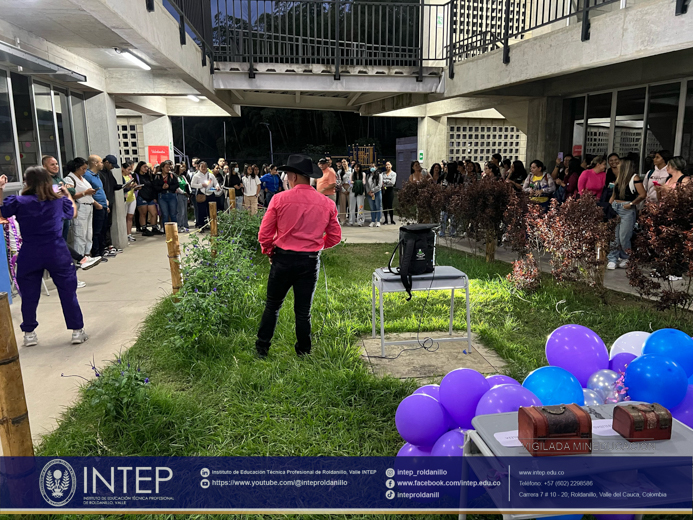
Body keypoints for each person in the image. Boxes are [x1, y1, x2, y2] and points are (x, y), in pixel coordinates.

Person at [255, 154, 341, 358]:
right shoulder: (326, 203)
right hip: (309, 261)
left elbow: (264, 234)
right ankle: (304, 350)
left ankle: (262, 348)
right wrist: (317, 246)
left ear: (292, 176)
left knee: (272, 306)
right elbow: (335, 236)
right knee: (303, 311)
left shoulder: (279, 199)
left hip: (282, 259)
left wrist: (269, 252)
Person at [0, 168, 88, 347]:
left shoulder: (18, 201)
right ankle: (77, 331)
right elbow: (72, 213)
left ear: (26, 182)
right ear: (48, 181)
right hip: (56, 250)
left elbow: (3, 211)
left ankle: (29, 333)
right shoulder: (57, 202)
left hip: (30, 251)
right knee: (67, 291)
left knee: (29, 295)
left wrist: (0, 188)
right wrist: (67, 195)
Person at [607, 158, 646, 270]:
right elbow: (614, 194)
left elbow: (642, 194)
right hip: (616, 206)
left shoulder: (634, 178)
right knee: (614, 236)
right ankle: (612, 258)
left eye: (619, 163)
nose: (616, 165)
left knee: (624, 236)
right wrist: (609, 207)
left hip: (627, 209)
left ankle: (625, 257)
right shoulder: (619, 178)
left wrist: (631, 204)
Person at [64, 157, 97, 257]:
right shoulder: (69, 179)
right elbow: (70, 195)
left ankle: (87, 253)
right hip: (80, 207)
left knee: (88, 233)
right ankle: (80, 256)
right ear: (76, 168)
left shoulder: (83, 179)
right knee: (80, 234)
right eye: (83, 168)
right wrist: (85, 193)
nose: (84, 171)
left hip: (89, 206)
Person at [98, 155, 125, 256]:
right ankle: (104, 246)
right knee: (103, 226)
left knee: (109, 224)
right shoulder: (99, 174)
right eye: (112, 165)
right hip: (103, 203)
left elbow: (114, 186)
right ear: (106, 162)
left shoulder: (108, 173)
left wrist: (124, 186)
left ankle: (109, 244)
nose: (112, 167)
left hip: (110, 201)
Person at [84, 155, 109, 259]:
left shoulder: (97, 175)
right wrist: (96, 204)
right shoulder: (87, 175)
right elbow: (88, 193)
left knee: (104, 229)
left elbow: (100, 190)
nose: (102, 164)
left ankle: (102, 251)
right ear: (95, 163)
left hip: (103, 205)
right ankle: (96, 253)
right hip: (96, 206)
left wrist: (105, 201)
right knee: (96, 231)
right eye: (101, 162)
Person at [132, 161, 160, 237]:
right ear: (140, 167)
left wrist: (154, 197)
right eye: (144, 167)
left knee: (154, 213)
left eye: (147, 167)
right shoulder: (135, 176)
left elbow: (153, 186)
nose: (146, 168)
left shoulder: (149, 176)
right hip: (141, 196)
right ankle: (144, 228)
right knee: (143, 214)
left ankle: (154, 227)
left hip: (150, 197)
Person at [191, 161, 220, 228]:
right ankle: (201, 225)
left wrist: (217, 187)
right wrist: (201, 185)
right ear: (199, 168)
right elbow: (192, 185)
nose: (203, 168)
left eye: (205, 166)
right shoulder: (196, 176)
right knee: (201, 211)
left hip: (210, 193)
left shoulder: (211, 175)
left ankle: (213, 225)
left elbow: (216, 183)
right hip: (202, 194)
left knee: (212, 210)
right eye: (202, 167)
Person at [153, 160, 179, 228]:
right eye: (166, 167)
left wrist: (169, 187)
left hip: (172, 195)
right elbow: (155, 187)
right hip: (162, 196)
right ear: (162, 168)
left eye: (169, 167)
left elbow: (177, 185)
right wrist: (162, 187)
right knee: (165, 214)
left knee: (173, 214)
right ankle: (166, 230)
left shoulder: (172, 175)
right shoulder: (158, 176)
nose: (168, 169)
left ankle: (174, 230)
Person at [121, 160, 137, 241]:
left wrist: (134, 186)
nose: (129, 171)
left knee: (130, 216)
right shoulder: (121, 176)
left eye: (130, 170)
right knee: (124, 217)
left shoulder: (130, 176)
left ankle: (129, 233)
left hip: (132, 197)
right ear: (123, 169)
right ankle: (123, 234)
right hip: (125, 198)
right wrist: (128, 187)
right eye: (128, 169)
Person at [174, 163, 190, 232]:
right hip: (179, 195)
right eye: (181, 167)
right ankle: (179, 226)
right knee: (181, 211)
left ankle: (184, 225)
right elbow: (177, 187)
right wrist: (183, 192)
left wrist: (188, 193)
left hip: (185, 195)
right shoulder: (175, 176)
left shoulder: (183, 176)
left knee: (185, 211)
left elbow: (187, 185)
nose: (183, 168)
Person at [337, 161, 350, 225]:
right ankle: (342, 219)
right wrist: (343, 190)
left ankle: (351, 219)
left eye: (344, 161)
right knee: (342, 204)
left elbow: (352, 179)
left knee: (351, 204)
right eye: (342, 162)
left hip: (350, 187)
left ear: (347, 162)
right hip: (342, 188)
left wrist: (349, 189)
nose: (343, 163)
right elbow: (338, 181)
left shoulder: (351, 170)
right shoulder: (339, 172)